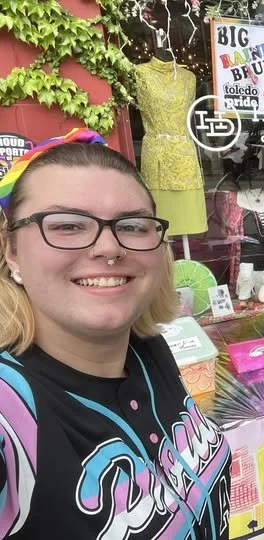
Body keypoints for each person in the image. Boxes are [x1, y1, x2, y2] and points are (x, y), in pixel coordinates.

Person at [0, 130, 231, 538]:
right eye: (68, 225)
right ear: (12, 251)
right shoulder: (11, 411)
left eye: (133, 225)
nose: (109, 247)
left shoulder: (148, 350)